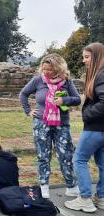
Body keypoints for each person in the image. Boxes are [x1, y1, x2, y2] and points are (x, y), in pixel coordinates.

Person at [20, 53, 81, 198]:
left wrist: (64, 100)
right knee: (43, 156)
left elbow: (77, 99)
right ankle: (44, 186)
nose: (46, 72)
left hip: (62, 124)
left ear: (59, 69)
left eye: (50, 70)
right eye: (44, 69)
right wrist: (28, 111)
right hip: (41, 123)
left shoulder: (67, 82)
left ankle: (71, 186)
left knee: (66, 155)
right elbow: (23, 94)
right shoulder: (37, 80)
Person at [65, 42, 104, 213]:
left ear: (97, 57)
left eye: (87, 57)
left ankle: (85, 198)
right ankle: (101, 198)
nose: (84, 61)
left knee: (79, 159)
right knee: (103, 163)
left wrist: (86, 114)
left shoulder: (101, 75)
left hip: (96, 127)